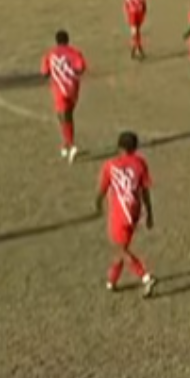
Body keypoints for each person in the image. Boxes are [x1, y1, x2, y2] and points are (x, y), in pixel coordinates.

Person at [96, 131, 157, 298]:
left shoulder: (111, 164)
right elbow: (145, 191)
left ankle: (145, 276)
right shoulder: (140, 164)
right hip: (134, 211)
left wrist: (97, 204)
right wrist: (150, 213)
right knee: (122, 246)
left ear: (119, 147)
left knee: (119, 248)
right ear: (135, 147)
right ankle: (112, 280)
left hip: (119, 212)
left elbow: (102, 188)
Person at [40, 30, 87, 163]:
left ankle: (71, 144)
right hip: (73, 88)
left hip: (58, 88)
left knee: (63, 115)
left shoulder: (49, 54)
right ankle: (67, 143)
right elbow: (80, 68)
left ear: (56, 41)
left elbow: (44, 72)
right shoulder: (75, 52)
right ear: (67, 40)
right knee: (67, 115)